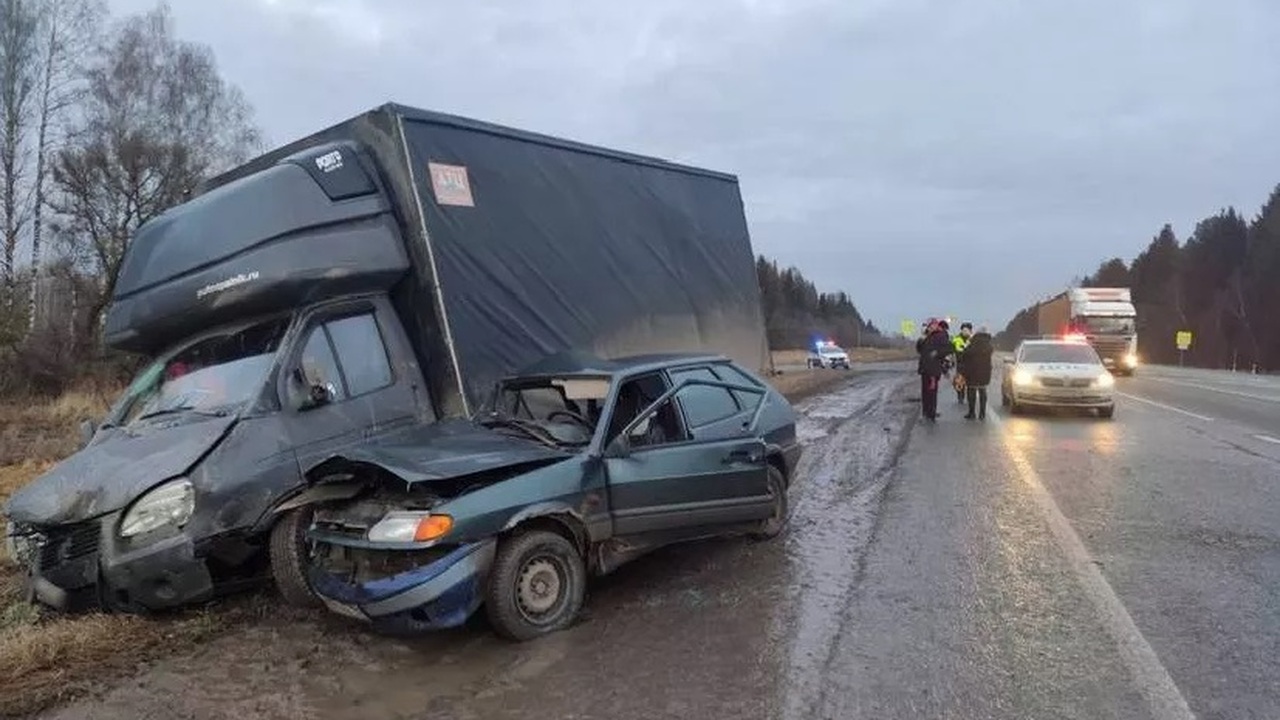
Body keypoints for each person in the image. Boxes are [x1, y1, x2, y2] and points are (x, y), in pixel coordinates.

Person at [916, 318, 954, 422]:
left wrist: (937, 353)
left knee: (931, 393)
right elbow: (919, 350)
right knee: (925, 393)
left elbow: (949, 348)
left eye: (934, 325)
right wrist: (921, 339)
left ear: (936, 326)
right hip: (925, 369)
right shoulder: (926, 336)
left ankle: (931, 415)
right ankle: (925, 413)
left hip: (933, 370)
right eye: (930, 325)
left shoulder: (940, 335)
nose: (932, 327)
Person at [962, 325, 995, 420]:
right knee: (982, 390)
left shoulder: (973, 343)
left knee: (971, 391)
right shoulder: (989, 345)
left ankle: (972, 413)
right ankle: (982, 413)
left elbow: (966, 354)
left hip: (972, 370)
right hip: (985, 371)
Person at [951, 322, 973, 403]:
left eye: (968, 329)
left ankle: (970, 397)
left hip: (971, 364)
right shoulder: (957, 339)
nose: (966, 331)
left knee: (971, 383)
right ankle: (960, 396)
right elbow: (952, 349)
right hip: (960, 363)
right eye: (964, 329)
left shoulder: (973, 339)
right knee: (959, 382)